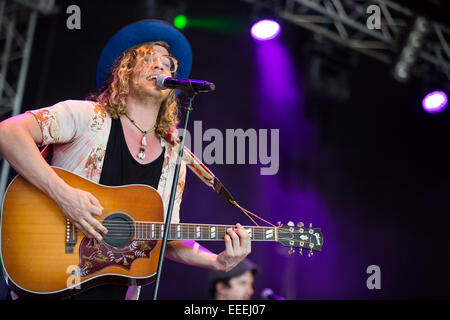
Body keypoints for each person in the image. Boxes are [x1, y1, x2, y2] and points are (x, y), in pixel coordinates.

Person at [0, 20, 251, 300]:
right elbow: (8, 132)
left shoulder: (174, 156)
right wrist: (64, 195)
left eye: (167, 63)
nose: (160, 66)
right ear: (124, 71)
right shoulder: (86, 117)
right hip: (51, 278)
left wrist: (217, 262)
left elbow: (166, 237)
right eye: (147, 58)